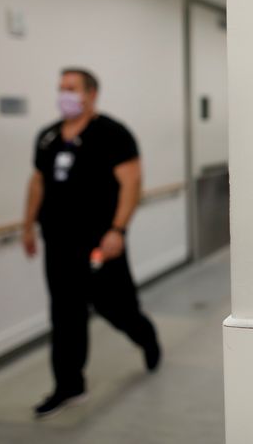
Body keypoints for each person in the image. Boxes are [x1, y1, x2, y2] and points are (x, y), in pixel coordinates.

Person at [22, 67, 161, 418]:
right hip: (58, 242)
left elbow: (132, 183)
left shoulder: (112, 134)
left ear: (91, 94)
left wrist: (118, 230)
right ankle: (69, 386)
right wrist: (27, 226)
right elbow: (38, 182)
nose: (63, 95)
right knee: (65, 314)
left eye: (71, 88)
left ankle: (145, 336)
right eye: (60, 88)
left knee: (116, 307)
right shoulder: (48, 137)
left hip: (101, 242)